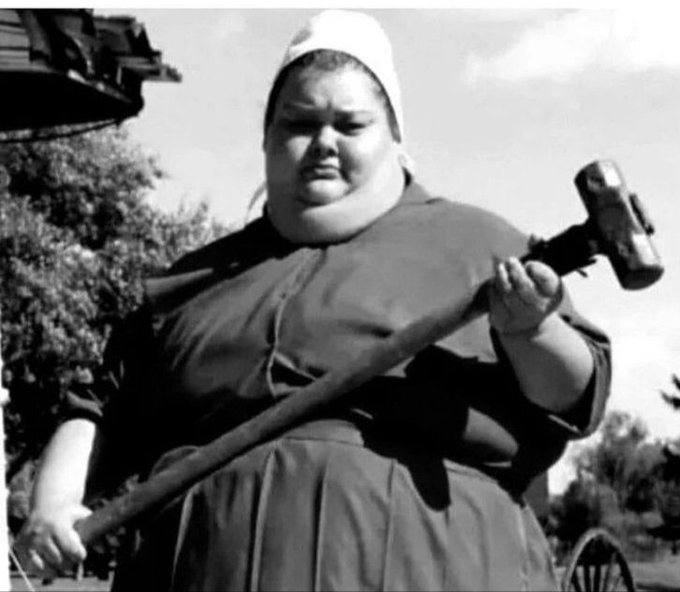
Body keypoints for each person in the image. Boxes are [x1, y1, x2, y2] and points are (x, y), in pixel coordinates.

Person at [15, 10, 611, 591]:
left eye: (350, 125)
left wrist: (533, 330)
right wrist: (54, 505)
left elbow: (575, 395)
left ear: (394, 137)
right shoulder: (193, 284)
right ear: (267, 137)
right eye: (300, 124)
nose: (323, 143)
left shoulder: (480, 246)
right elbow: (98, 408)